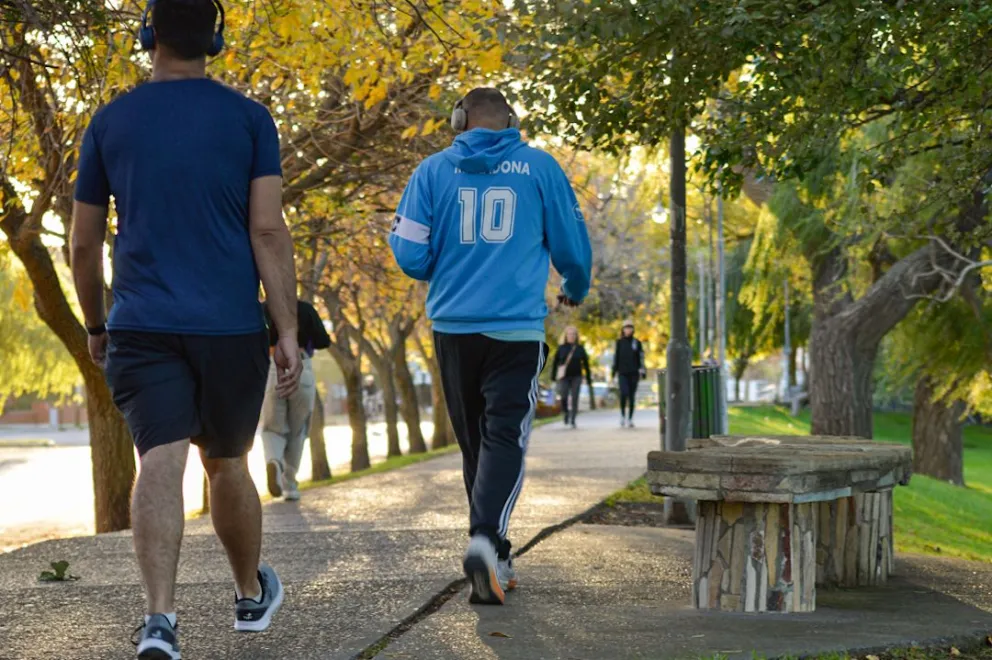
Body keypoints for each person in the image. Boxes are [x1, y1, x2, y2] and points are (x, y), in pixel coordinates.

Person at [70, 1, 298, 657]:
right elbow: (267, 230)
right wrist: (285, 327)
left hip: (140, 325)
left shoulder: (110, 122)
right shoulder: (250, 120)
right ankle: (249, 595)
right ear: (214, 41)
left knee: (159, 461)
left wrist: (95, 322)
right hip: (229, 326)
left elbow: (83, 244)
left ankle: (160, 621)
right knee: (227, 463)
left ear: (149, 35)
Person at [388, 88, 592, 605]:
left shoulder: (431, 172)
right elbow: (571, 245)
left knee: (475, 445)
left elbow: (409, 254)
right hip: (515, 331)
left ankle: (495, 551)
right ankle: (485, 540)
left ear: (459, 120)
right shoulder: (540, 168)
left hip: (453, 328)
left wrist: (447, 264)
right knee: (504, 438)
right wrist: (575, 285)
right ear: (512, 122)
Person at [261, 299, 331, 502]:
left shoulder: (263, 309)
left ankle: (274, 460)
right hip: (301, 365)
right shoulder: (305, 309)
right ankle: (290, 484)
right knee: (297, 429)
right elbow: (323, 341)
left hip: (272, 367)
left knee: (272, 427)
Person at [551, 326, 591, 429]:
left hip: (577, 376)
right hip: (564, 377)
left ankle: (573, 419)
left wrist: (588, 378)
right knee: (563, 396)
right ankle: (566, 413)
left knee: (575, 397)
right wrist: (553, 377)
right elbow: (555, 363)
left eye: (573, 334)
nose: (571, 336)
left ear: (576, 336)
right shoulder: (561, 348)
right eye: (569, 334)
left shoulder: (580, 348)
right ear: (565, 336)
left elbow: (586, 364)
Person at [612, 319, 647, 428]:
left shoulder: (637, 343)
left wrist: (643, 370)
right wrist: (614, 372)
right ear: (623, 330)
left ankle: (630, 418)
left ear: (633, 329)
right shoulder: (619, 342)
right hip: (622, 372)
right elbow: (616, 357)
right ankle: (622, 415)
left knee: (632, 396)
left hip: (634, 372)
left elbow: (641, 358)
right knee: (624, 393)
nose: (628, 330)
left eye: (630, 328)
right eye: (626, 328)